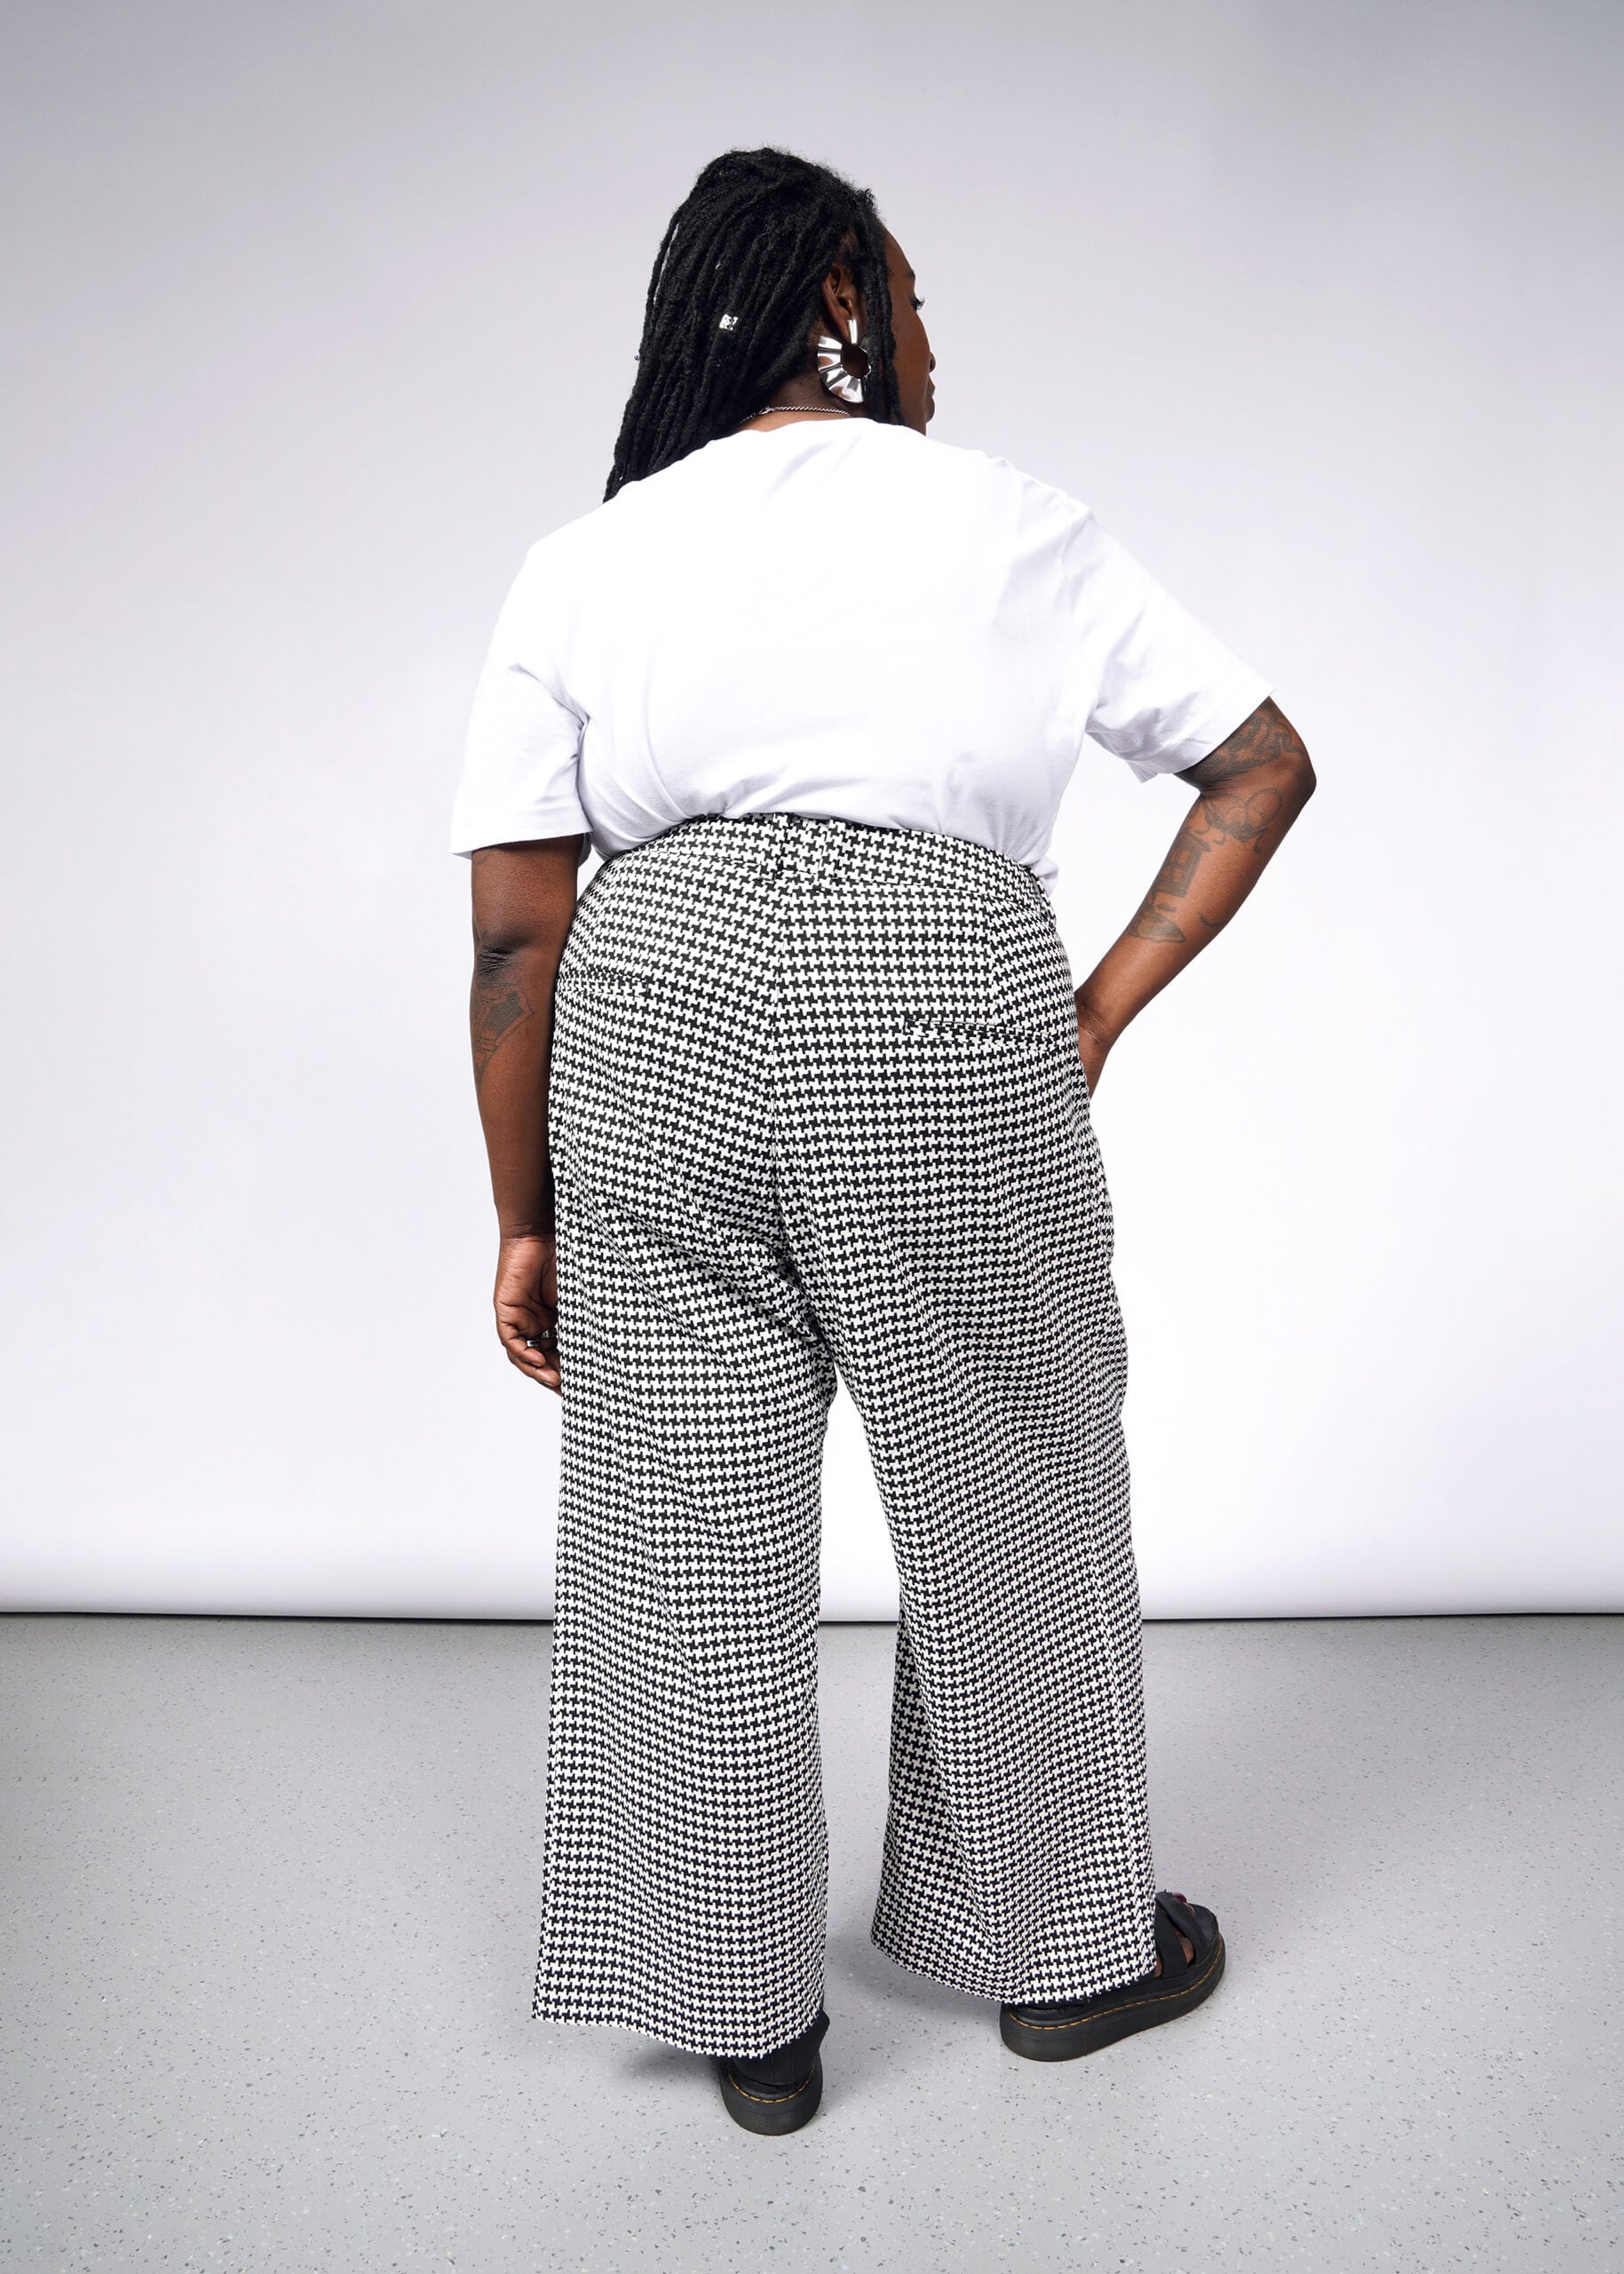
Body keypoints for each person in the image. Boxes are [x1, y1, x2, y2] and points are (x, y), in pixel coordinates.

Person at [449, 147, 1315, 2137]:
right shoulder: (1008, 522)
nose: (935, 334)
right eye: (913, 294)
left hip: (650, 1001)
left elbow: (515, 928)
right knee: (1011, 1466)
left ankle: (743, 2012)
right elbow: (1261, 765)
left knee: (682, 1521)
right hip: (938, 996)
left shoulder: (591, 555)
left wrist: (525, 1213)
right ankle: (1064, 1955)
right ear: (837, 295)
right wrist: (1083, 1011)